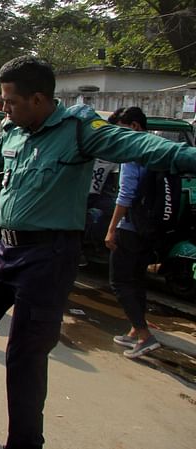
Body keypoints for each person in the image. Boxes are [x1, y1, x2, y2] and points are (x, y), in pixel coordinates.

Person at [0, 56, 196, 449]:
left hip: (49, 257)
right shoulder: (15, 131)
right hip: (4, 250)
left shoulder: (80, 129)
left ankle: (26, 443)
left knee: (25, 353)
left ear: (37, 98)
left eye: (11, 102)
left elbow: (143, 146)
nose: (5, 110)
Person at [105, 107, 162, 358]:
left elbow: (125, 195)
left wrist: (111, 229)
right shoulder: (156, 148)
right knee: (137, 280)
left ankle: (144, 335)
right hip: (148, 226)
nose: (118, 136)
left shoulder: (132, 152)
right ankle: (134, 331)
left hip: (129, 227)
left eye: (121, 129)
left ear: (135, 126)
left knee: (119, 281)